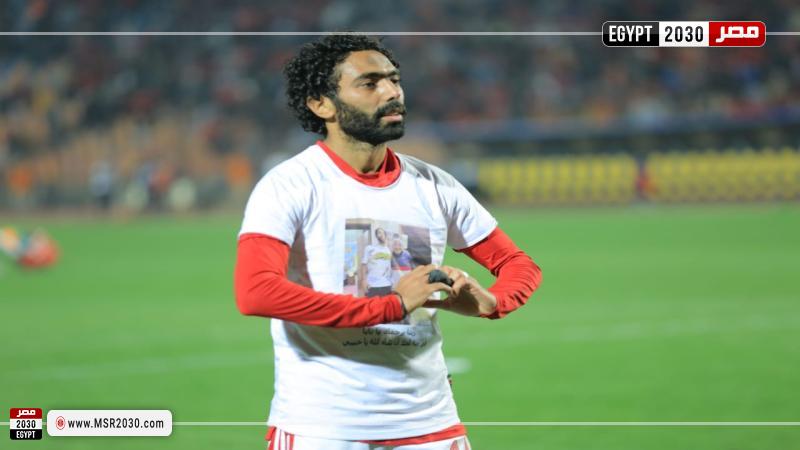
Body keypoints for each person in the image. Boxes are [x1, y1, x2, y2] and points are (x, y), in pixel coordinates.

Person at [234, 34, 542, 450]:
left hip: (431, 425)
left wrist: (492, 302)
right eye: (369, 83)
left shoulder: (434, 185)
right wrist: (392, 305)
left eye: (394, 80)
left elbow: (519, 265)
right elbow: (256, 292)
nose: (392, 92)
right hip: (322, 429)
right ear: (321, 104)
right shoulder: (290, 185)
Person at [359, 227, 393, 297]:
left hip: (387, 284)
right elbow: (363, 265)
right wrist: (363, 280)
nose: (381, 234)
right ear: (376, 236)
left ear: (385, 235)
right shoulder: (370, 248)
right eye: (379, 232)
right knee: (372, 303)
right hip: (372, 285)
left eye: (383, 232)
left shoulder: (388, 250)